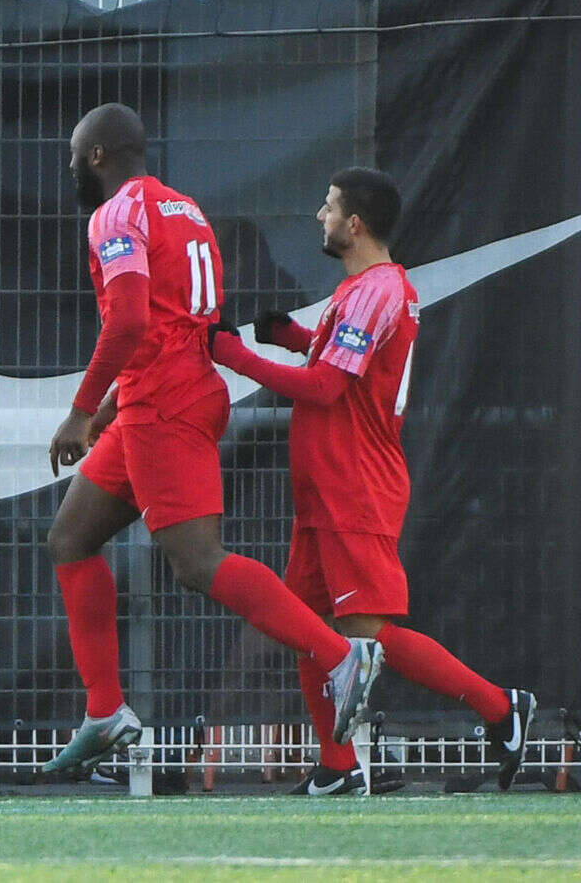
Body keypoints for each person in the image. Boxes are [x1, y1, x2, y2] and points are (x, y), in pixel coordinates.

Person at [42, 103, 385, 776]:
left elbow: (133, 319)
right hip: (165, 395)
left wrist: (81, 410)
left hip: (165, 407)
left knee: (197, 562)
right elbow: (173, 323)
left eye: (75, 155)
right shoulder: (187, 210)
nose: (72, 168)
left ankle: (342, 657)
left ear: (100, 156)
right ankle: (105, 709)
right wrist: (110, 408)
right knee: (70, 537)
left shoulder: (115, 213)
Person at [209, 168, 535, 794]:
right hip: (327, 489)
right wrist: (294, 338)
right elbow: (349, 371)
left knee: (366, 636)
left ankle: (500, 708)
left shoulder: (376, 290)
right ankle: (336, 769)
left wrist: (239, 356)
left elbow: (330, 388)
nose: (319, 216)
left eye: (328, 207)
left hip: (354, 486)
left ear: (354, 223)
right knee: (305, 627)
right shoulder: (365, 288)